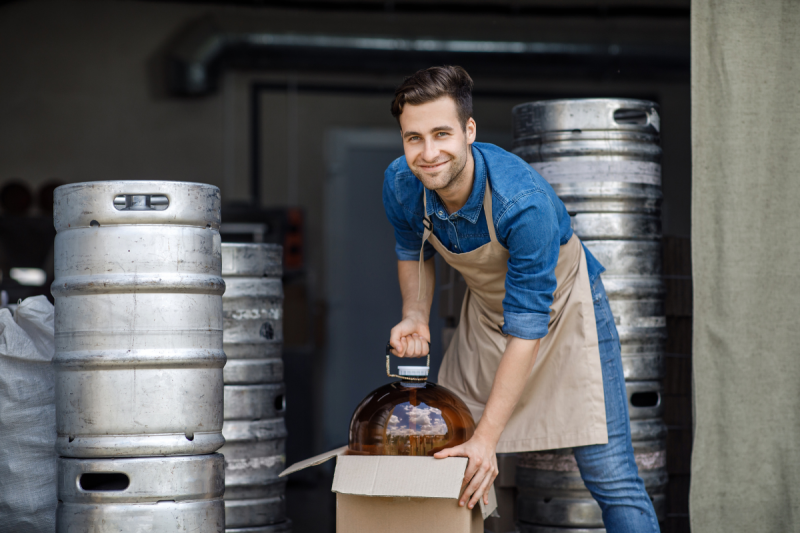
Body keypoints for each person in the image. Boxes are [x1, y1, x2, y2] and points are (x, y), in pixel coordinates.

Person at [382, 65, 659, 532]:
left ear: (469, 130)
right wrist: (415, 314)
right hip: (488, 317)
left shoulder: (521, 202)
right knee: (446, 450)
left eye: (442, 134)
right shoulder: (401, 184)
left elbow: (529, 324)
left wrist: (487, 439)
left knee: (610, 476)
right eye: (414, 138)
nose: (428, 154)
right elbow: (413, 249)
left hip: (564, 312)